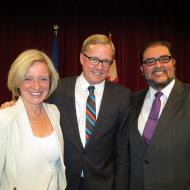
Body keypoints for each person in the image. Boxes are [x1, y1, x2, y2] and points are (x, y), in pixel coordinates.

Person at [47, 34, 131, 190]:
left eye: (106, 61)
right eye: (94, 59)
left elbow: (122, 152)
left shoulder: (122, 96)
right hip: (63, 181)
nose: (100, 67)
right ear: (81, 58)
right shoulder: (57, 89)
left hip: (103, 183)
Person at [0, 49, 67, 190]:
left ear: (50, 81)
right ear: (17, 82)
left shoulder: (54, 111)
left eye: (43, 78)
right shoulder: (4, 119)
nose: (36, 86)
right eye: (27, 78)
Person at [128, 40, 190, 190]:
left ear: (173, 63)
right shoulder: (131, 101)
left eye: (164, 59)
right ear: (142, 69)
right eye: (150, 61)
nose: (158, 65)